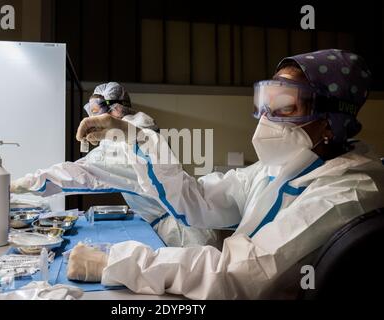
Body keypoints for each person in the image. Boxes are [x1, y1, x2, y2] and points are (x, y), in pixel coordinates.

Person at [69, 49, 384, 299]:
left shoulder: (348, 194)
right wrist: (132, 136)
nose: (265, 118)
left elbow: (240, 274)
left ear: (330, 122)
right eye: (265, 102)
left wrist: (115, 263)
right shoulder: (277, 169)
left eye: (284, 105)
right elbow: (197, 200)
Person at [11, 82, 223, 248]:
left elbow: (81, 173)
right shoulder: (136, 131)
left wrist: (25, 183)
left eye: (97, 113)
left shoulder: (126, 142)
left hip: (186, 237)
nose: (93, 119)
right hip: (185, 226)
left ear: (115, 110)